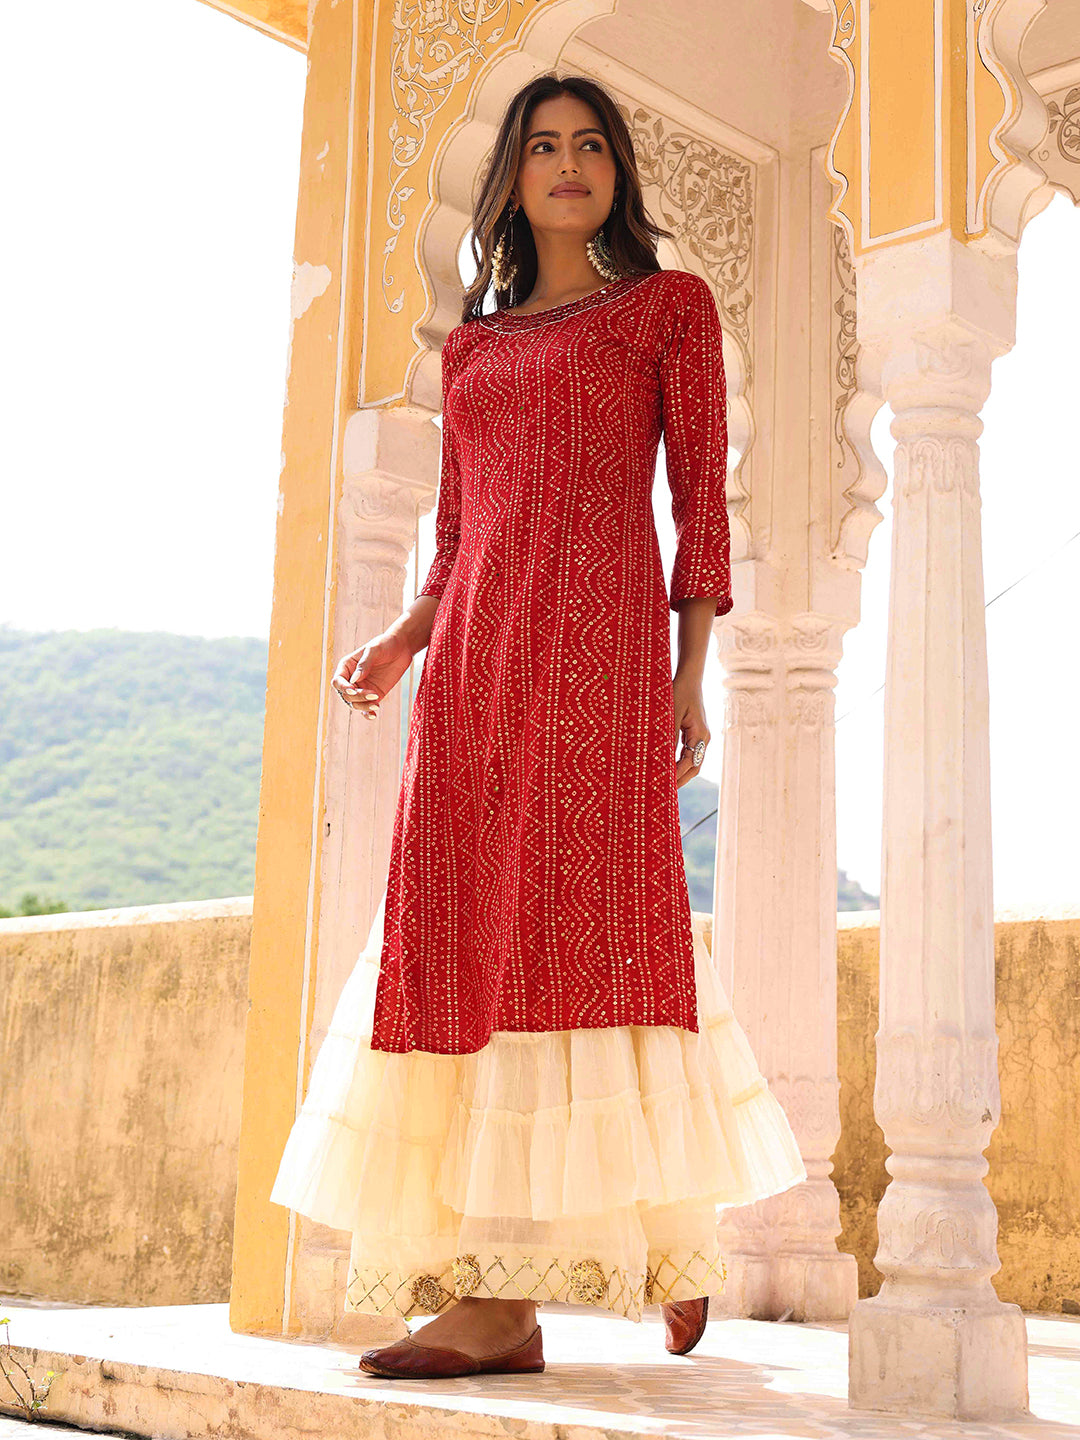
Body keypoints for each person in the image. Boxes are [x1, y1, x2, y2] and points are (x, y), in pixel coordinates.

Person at [269, 71, 807, 1380]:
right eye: (545, 146)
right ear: (511, 176)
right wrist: (402, 640)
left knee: (601, 935)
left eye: (592, 145)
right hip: (473, 680)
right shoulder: (474, 350)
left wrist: (687, 676)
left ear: (618, 172)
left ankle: (591, 1266)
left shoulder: (668, 311)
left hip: (599, 665)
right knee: (468, 947)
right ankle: (562, 1279)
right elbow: (461, 537)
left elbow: (700, 509)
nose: (569, 164)